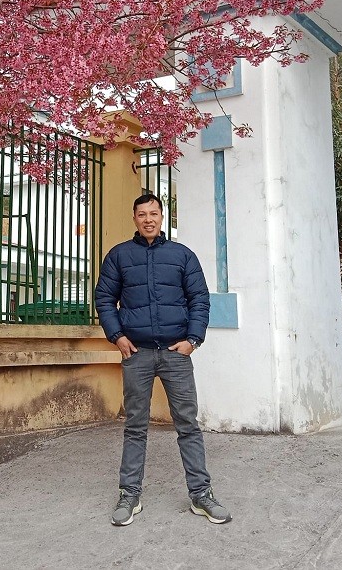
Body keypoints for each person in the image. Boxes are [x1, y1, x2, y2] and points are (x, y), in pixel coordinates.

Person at [94, 192, 232, 527]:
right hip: (137, 354)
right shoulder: (119, 256)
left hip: (176, 354)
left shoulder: (182, 256)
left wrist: (193, 340)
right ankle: (130, 494)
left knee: (187, 424)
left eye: (154, 213)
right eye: (142, 214)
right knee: (135, 427)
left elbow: (199, 297)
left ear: (162, 216)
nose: (148, 220)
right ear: (134, 219)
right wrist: (118, 336)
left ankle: (201, 495)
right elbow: (104, 297)